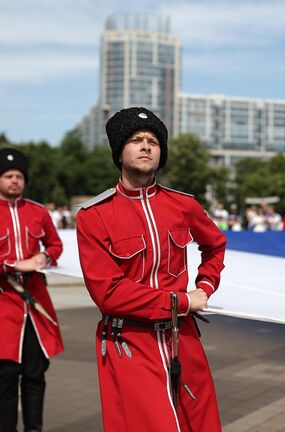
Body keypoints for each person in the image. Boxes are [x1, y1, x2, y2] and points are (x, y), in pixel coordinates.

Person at [76, 107, 226, 432]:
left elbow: (215, 244)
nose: (145, 146)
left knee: (199, 424)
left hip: (183, 338)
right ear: (120, 151)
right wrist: (181, 301)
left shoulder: (183, 205)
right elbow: (108, 294)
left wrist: (207, 285)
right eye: (135, 140)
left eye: (153, 141)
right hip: (130, 341)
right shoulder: (94, 215)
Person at [0, 148, 64, 432]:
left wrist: (44, 258)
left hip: (36, 306)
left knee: (35, 374)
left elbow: (55, 245)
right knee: (5, 376)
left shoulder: (38, 212)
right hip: (1, 304)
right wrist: (12, 265)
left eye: (19, 176)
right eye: (8, 176)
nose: (15, 181)